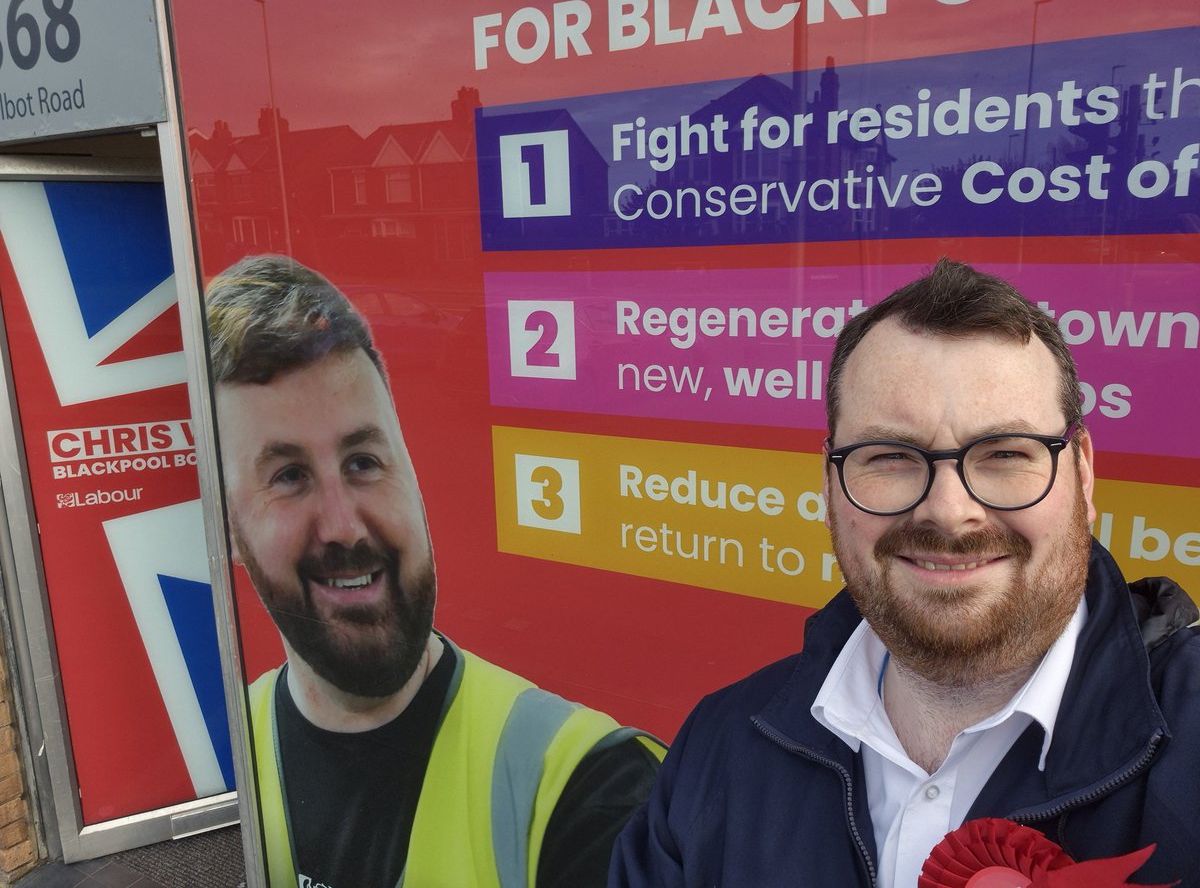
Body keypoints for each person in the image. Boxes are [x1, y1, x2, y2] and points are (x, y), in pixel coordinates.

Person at [611, 259, 1199, 887]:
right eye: (890, 456)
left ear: (1081, 472)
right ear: (831, 485)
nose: (949, 513)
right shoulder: (718, 746)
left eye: (1004, 454)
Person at [206, 255, 664, 888]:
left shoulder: (590, 787)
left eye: (363, 461)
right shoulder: (223, 760)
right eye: (289, 476)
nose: (344, 524)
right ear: (226, 528)